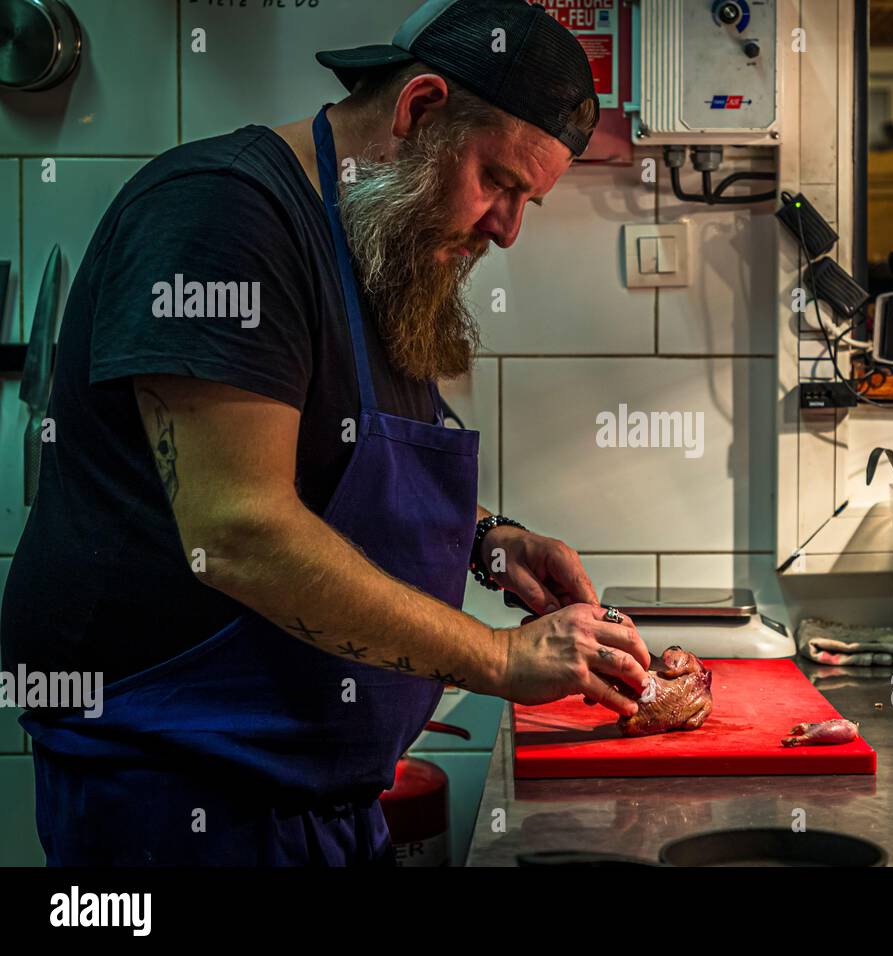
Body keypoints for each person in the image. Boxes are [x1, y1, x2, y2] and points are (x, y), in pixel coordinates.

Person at [0, 0, 650, 866]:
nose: (507, 227)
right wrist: (498, 656)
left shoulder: (379, 245)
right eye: (498, 180)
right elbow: (239, 532)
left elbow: (339, 464)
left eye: (526, 199)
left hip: (322, 800)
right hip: (182, 802)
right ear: (420, 108)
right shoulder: (220, 216)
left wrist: (493, 540)